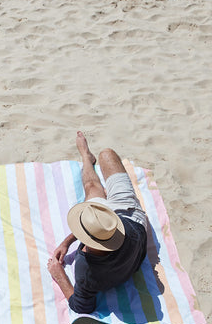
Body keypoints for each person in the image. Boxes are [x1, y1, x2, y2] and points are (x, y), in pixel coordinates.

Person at [47, 131, 148, 313]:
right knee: (107, 154)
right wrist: (67, 241)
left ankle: (86, 157)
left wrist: (59, 275)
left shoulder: (87, 272)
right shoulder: (116, 232)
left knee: (91, 187)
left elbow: (81, 306)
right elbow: (99, 226)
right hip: (131, 217)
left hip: (128, 219)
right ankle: (88, 158)